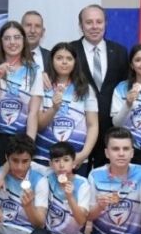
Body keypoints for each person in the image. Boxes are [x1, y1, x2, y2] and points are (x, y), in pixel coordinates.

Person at [0, 21, 44, 177]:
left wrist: (29, 145)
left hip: (20, 139)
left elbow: (33, 113)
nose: (12, 42)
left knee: (18, 185)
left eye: (17, 37)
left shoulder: (34, 70)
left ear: (23, 40)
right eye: (7, 38)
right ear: (1, 42)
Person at [73, 4, 128, 166]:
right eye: (89, 22)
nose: (94, 26)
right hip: (78, 129)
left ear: (106, 23)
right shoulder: (70, 51)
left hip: (110, 130)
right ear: (81, 26)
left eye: (99, 21)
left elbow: (126, 86)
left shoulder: (119, 51)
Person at [32, 42, 98, 171]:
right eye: (59, 58)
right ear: (51, 60)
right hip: (44, 157)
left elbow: (93, 125)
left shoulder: (85, 88)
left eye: (69, 58)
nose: (64, 62)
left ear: (75, 62)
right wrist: (54, 108)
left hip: (76, 158)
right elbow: (38, 125)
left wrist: (84, 154)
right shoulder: (42, 84)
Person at [20, 10, 53, 76]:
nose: (32, 30)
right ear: (20, 29)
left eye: (37, 26)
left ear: (43, 32)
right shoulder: (9, 56)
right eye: (28, 25)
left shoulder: (51, 57)